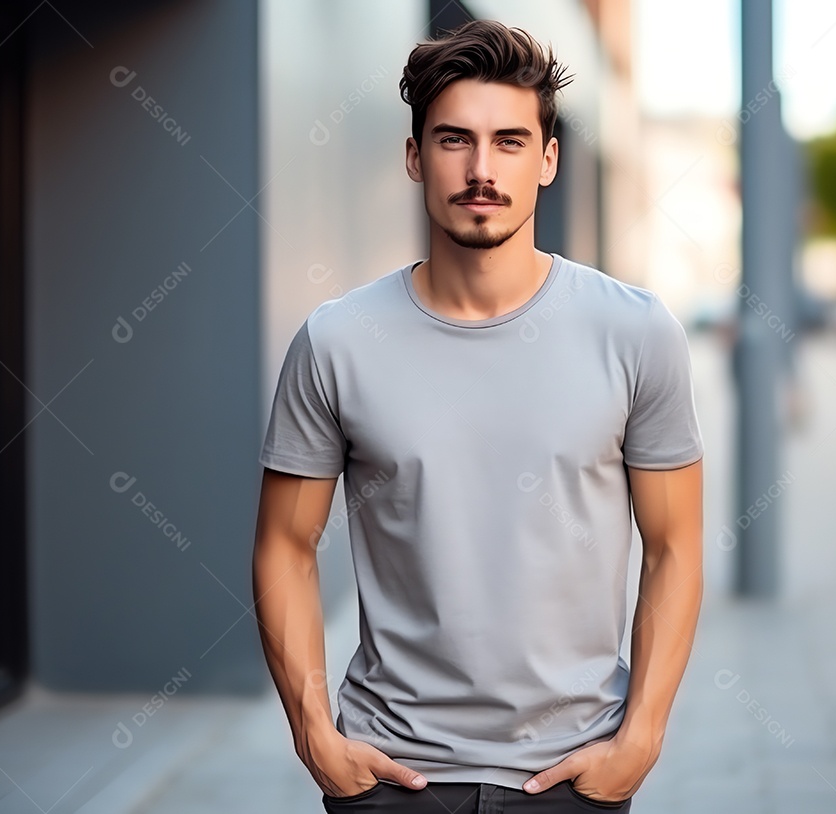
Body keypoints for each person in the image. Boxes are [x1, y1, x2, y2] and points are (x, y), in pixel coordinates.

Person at [252, 19, 704, 813]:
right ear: (414, 156)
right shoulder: (336, 340)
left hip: (571, 779)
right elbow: (284, 547)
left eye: (510, 142)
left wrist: (641, 740)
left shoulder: (636, 332)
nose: (481, 170)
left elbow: (676, 547)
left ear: (549, 159)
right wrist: (314, 732)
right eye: (454, 140)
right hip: (391, 778)